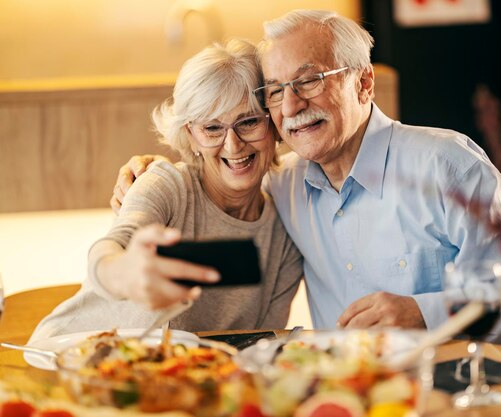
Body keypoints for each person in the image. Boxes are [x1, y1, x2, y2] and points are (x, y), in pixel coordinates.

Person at [111, 10, 501, 331]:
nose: (293, 105)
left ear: (364, 83)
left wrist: (425, 312)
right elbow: (220, 175)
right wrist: (150, 170)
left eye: (310, 80)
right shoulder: (285, 186)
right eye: (276, 91)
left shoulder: (445, 166)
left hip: (454, 396)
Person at [30, 39, 302, 342]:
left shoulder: (285, 233)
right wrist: (122, 272)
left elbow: (259, 347)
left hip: (176, 379)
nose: (232, 144)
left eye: (249, 122)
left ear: (274, 124)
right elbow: (110, 249)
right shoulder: (166, 184)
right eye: (212, 128)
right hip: (64, 354)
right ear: (191, 135)